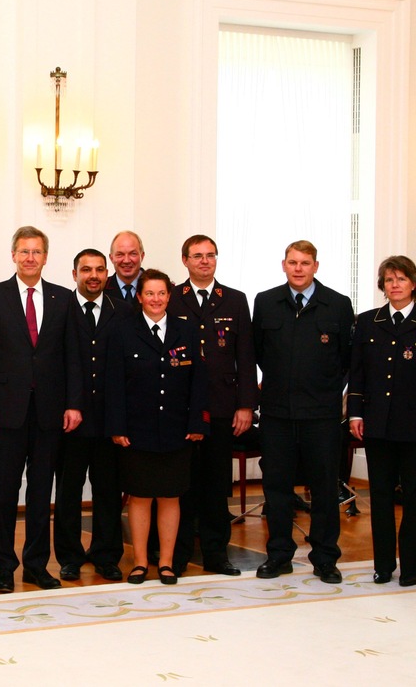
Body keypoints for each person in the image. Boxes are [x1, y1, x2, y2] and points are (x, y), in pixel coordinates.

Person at [0, 226, 83, 593]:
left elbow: (73, 359)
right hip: (5, 413)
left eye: (37, 252)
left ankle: (36, 565)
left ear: (46, 257)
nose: (30, 258)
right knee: (4, 492)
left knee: (40, 493)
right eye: (24, 251)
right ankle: (5, 567)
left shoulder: (64, 299)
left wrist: (73, 404)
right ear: (14, 255)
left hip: (51, 413)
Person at [252, 240, 354, 584]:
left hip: (321, 417)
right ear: (283, 265)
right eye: (292, 262)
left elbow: (345, 360)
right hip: (277, 414)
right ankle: (279, 555)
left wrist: (322, 392)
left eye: (305, 263)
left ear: (316, 266)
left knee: (324, 489)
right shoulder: (265, 303)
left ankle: (325, 557)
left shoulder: (338, 305)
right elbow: (260, 354)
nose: (298, 268)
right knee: (276, 489)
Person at [347, 256, 416, 587]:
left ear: (414, 284)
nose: (395, 285)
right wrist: (356, 413)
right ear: (383, 285)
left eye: (402, 279)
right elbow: (357, 373)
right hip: (377, 424)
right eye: (389, 280)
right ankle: (384, 564)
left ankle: (412, 566)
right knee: (380, 495)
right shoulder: (366, 322)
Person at [106, 269, 208, 585]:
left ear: (169, 296)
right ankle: (139, 562)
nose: (156, 299)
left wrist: (196, 423)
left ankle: (165, 562)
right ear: (139, 297)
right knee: (139, 497)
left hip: (177, 429)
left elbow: (197, 382)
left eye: (161, 293)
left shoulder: (187, 331)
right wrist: (117, 426)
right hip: (137, 430)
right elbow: (115, 385)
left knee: (170, 496)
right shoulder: (123, 331)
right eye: (149, 293)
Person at [169, 235, 256, 577]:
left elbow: (245, 357)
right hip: (181, 409)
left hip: (222, 408)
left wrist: (246, 405)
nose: (204, 261)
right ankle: (177, 554)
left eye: (210, 256)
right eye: (197, 256)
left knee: (217, 486)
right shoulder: (172, 298)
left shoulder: (234, 300)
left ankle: (216, 554)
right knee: (181, 484)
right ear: (185, 260)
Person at [54, 249, 124, 582]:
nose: (93, 275)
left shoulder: (122, 310)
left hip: (109, 421)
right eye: (86, 270)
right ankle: (69, 556)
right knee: (68, 491)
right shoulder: (59, 309)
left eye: (99, 270)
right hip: (71, 420)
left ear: (107, 274)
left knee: (108, 492)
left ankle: (106, 554)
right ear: (74, 274)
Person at [105, 230, 145, 308]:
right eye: (120, 254)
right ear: (111, 258)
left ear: (142, 256)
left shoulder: (161, 289)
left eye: (133, 254)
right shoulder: (101, 290)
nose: (126, 260)